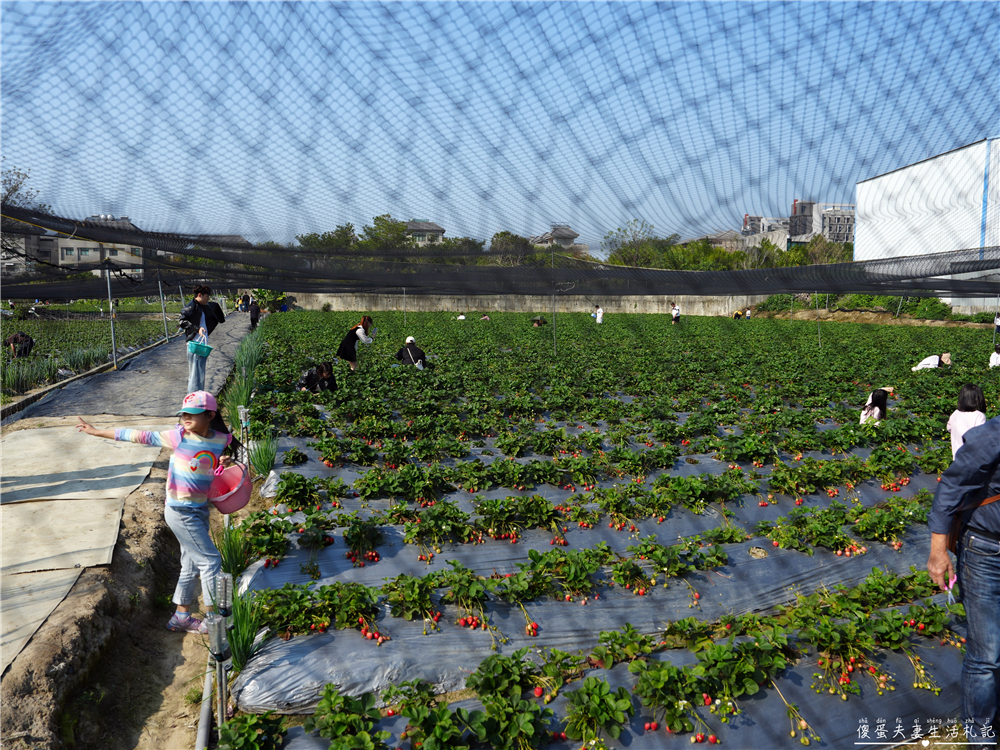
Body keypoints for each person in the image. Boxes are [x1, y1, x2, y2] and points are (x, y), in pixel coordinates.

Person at [76, 391, 237, 634]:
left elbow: (216, 462)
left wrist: (223, 463)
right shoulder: (178, 437)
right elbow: (138, 436)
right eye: (184, 413)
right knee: (211, 560)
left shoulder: (220, 440)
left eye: (192, 414)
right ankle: (216, 619)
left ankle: (181, 617)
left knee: (191, 562)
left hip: (200, 508)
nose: (186, 417)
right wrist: (97, 431)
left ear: (210, 415)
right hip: (180, 510)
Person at [926, 416, 1000, 736]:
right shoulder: (993, 436)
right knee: (987, 654)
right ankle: (980, 736)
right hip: (987, 551)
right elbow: (951, 488)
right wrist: (938, 551)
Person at [179, 285, 225, 393]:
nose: (208, 299)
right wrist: (197, 329)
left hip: (201, 345)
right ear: (200, 295)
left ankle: (199, 396)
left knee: (200, 373)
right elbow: (182, 322)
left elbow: (216, 313)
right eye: (207, 296)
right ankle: (193, 399)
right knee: (195, 375)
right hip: (195, 345)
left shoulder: (202, 307)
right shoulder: (191, 307)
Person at [947, 385, 988, 459]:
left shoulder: (955, 413)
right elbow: (981, 437)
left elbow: (949, 428)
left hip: (957, 457)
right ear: (978, 399)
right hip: (973, 458)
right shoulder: (979, 416)